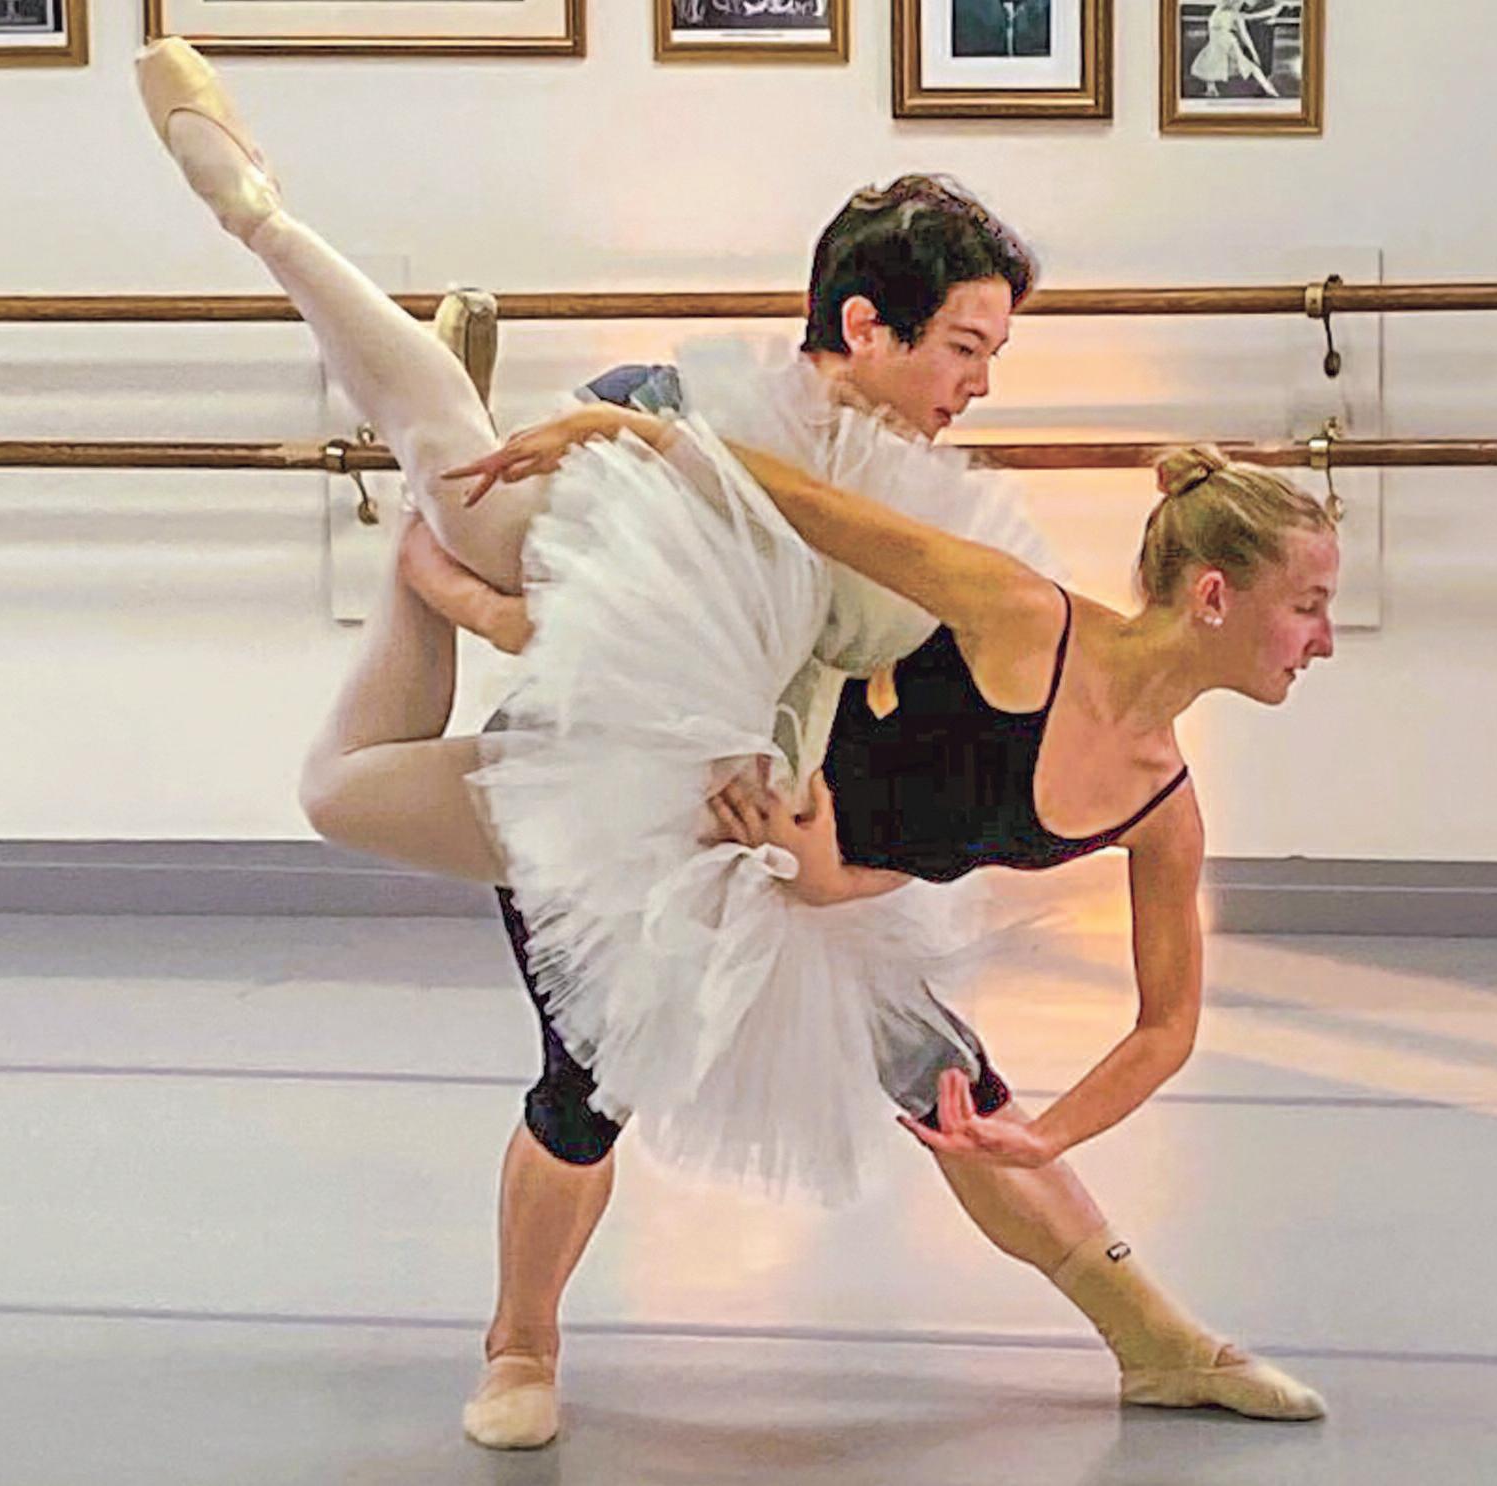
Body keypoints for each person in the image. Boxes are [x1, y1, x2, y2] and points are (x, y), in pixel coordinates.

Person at [134, 37, 1328, 1447]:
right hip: (646, 764)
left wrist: (831, 876)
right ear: (871, 326)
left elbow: (949, 830)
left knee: (950, 1087)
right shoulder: (999, 602)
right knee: (587, 1058)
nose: (981, 384)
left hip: (789, 841)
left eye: (991, 355)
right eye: (965, 348)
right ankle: (520, 1346)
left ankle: (1158, 1339)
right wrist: (545, 535)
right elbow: (716, 623)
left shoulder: (1124, 759)